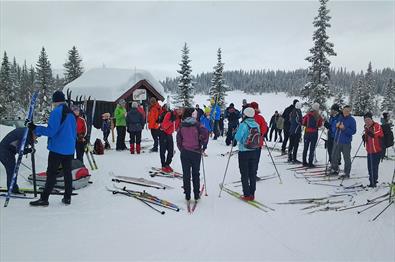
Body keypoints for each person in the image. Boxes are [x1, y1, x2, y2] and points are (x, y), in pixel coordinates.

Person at [28, 91, 76, 206]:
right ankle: (67, 197)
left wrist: (36, 128)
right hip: (69, 149)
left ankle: (44, 199)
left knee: (51, 174)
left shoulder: (56, 112)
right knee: (67, 173)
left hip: (57, 149)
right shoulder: (71, 113)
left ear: (54, 101)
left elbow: (51, 131)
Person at [176, 108, 209, 201]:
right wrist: (201, 142)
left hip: (185, 152)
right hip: (196, 152)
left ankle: (187, 194)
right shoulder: (197, 124)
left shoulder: (182, 125)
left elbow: (178, 138)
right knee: (195, 173)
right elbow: (206, 133)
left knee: (186, 173)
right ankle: (196, 194)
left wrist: (181, 148)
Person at [234, 107, 260, 201]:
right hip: (254, 151)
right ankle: (252, 194)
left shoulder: (243, 124)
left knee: (244, 174)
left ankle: (246, 194)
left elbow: (237, 137)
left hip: (244, 152)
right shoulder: (256, 124)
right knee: (252, 173)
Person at [0, 128, 34, 193]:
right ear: (33, 133)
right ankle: (12, 189)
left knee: (12, 170)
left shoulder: (25, 131)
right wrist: (29, 150)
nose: (36, 138)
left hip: (5, 150)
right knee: (12, 170)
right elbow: (20, 150)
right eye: (37, 136)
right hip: (5, 151)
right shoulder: (25, 135)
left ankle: (12, 188)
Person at [330, 105, 357, 179]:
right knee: (334, 156)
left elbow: (353, 131)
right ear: (342, 110)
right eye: (345, 110)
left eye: (348, 111)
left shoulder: (352, 120)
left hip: (346, 142)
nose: (346, 112)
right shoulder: (339, 118)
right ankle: (335, 169)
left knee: (346, 158)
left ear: (350, 111)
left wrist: (344, 128)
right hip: (337, 140)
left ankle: (346, 173)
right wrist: (336, 126)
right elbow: (333, 128)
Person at [362, 112, 384, 187]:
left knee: (374, 166)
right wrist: (364, 137)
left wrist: (370, 133)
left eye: (368, 119)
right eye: (365, 120)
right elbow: (368, 137)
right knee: (369, 167)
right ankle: (372, 180)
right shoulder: (366, 127)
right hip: (370, 151)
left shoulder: (377, 125)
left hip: (377, 150)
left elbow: (377, 133)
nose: (367, 121)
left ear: (371, 119)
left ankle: (374, 181)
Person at [250, 102, 268, 180]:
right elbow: (264, 129)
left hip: (248, 142)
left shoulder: (246, 117)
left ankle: (247, 174)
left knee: (248, 160)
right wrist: (262, 134)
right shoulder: (260, 118)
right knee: (255, 160)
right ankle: (253, 175)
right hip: (257, 142)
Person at [159, 107, 182, 172]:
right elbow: (164, 126)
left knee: (171, 151)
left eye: (181, 110)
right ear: (176, 109)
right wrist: (171, 121)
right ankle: (163, 165)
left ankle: (167, 164)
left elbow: (177, 128)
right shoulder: (169, 114)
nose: (180, 111)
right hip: (163, 133)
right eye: (179, 109)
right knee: (162, 150)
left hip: (169, 134)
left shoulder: (179, 117)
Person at [302, 103, 323, 167]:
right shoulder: (319, 116)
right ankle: (310, 162)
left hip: (307, 133)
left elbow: (303, 123)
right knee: (312, 148)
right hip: (314, 133)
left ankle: (304, 162)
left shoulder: (307, 115)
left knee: (305, 148)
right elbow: (320, 125)